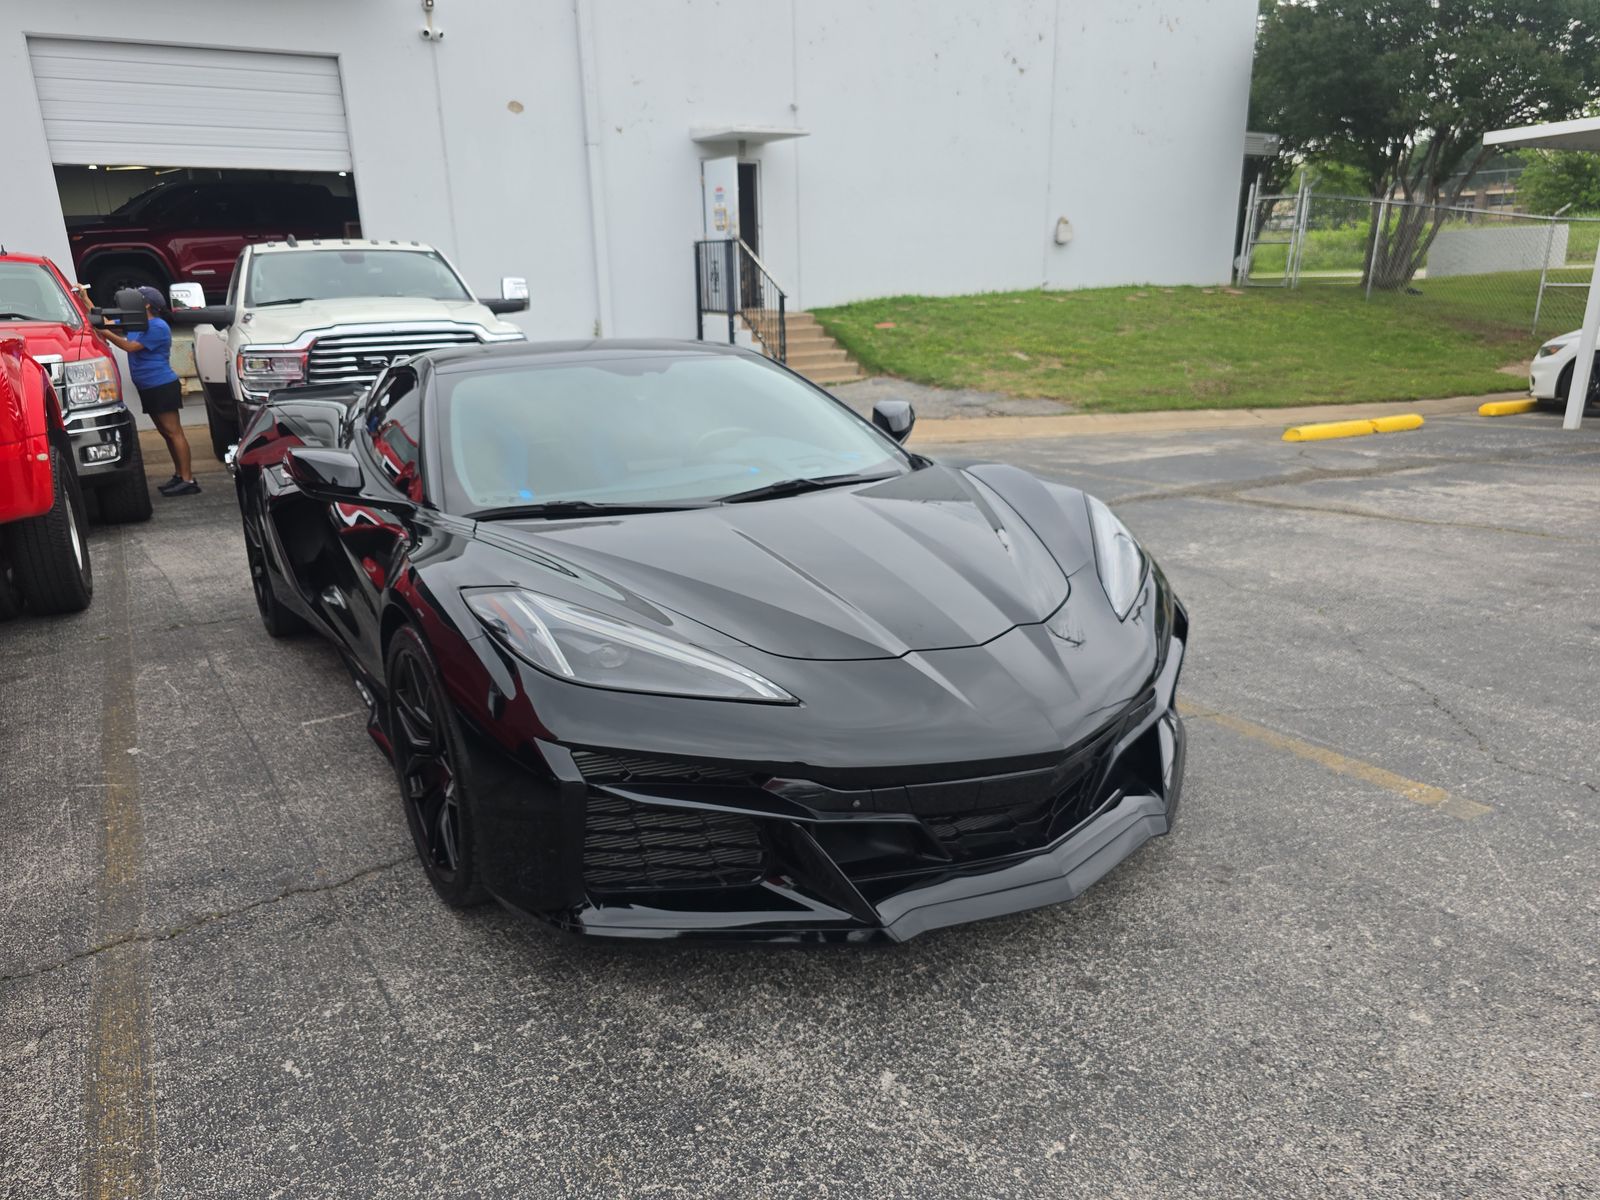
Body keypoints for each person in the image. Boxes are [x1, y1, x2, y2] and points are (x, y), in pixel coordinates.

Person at [97, 284, 198, 496]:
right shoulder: (137, 322)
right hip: (149, 386)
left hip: (161, 384)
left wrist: (104, 332)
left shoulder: (158, 326)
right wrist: (86, 301)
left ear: (147, 304)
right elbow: (104, 321)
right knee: (165, 433)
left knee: (174, 432)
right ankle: (180, 474)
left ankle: (188, 479)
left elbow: (130, 347)